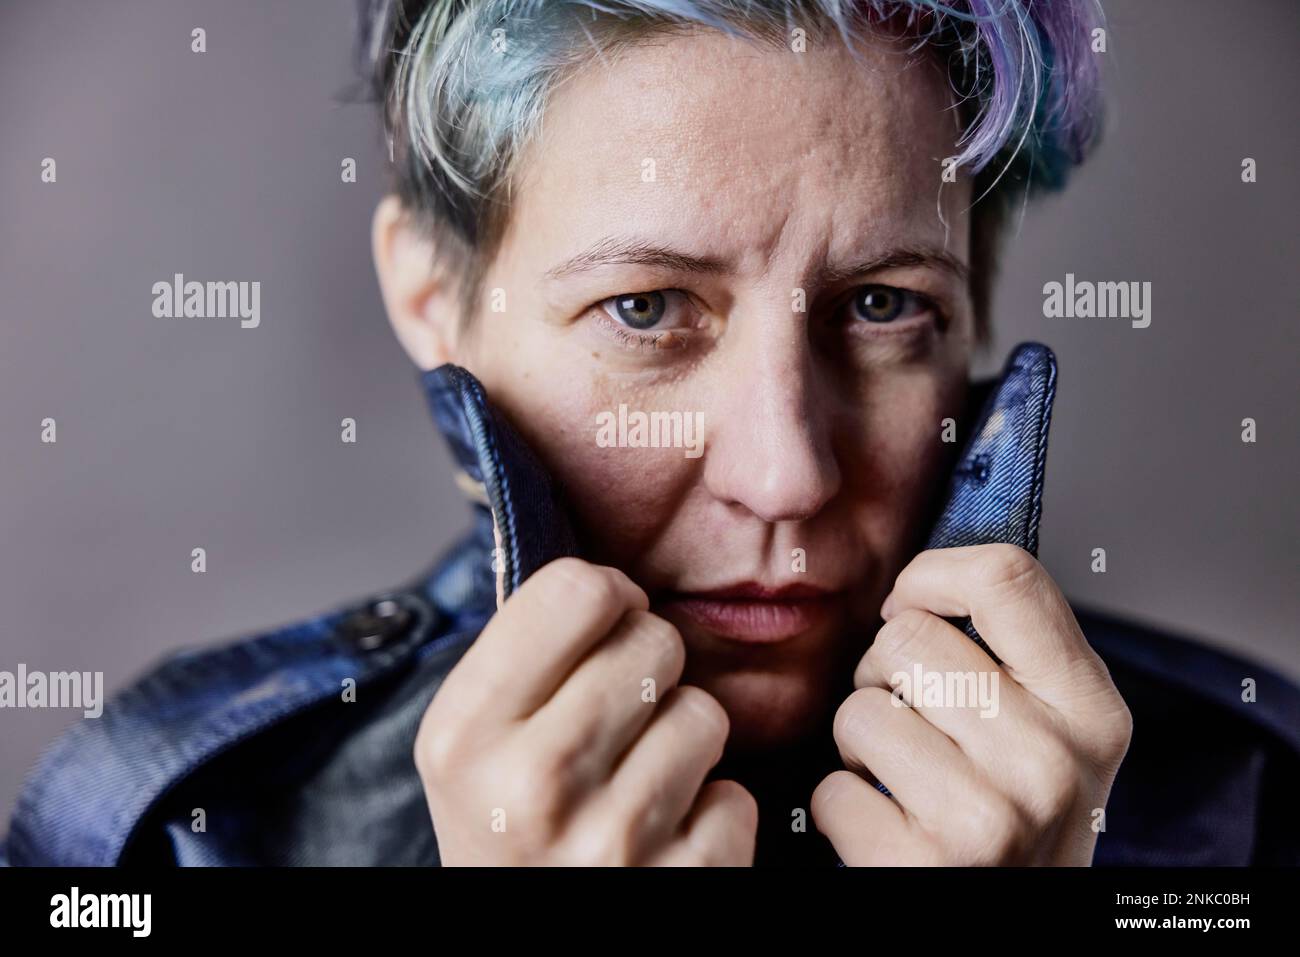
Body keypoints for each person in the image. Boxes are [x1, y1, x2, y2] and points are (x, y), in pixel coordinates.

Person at [5, 0, 1297, 867]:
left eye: (885, 306)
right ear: (429, 299)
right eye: (645, 308)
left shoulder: (1254, 805)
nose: (785, 474)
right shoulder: (178, 836)